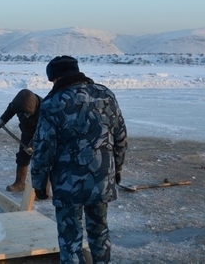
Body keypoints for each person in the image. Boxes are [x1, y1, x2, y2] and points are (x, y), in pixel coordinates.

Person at [31, 56, 127, 264]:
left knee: (70, 239)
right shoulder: (106, 95)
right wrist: (115, 169)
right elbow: (120, 137)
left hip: (68, 185)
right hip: (101, 179)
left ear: (55, 78)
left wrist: (39, 183)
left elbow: (44, 149)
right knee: (99, 233)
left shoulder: (53, 103)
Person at [0, 89, 42, 192]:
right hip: (27, 131)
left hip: (42, 136)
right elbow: (11, 110)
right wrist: (3, 119)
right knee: (22, 157)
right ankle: (19, 183)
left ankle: (42, 190)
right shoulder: (19, 103)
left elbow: (44, 130)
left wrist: (34, 144)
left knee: (42, 161)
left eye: (28, 113)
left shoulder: (45, 110)